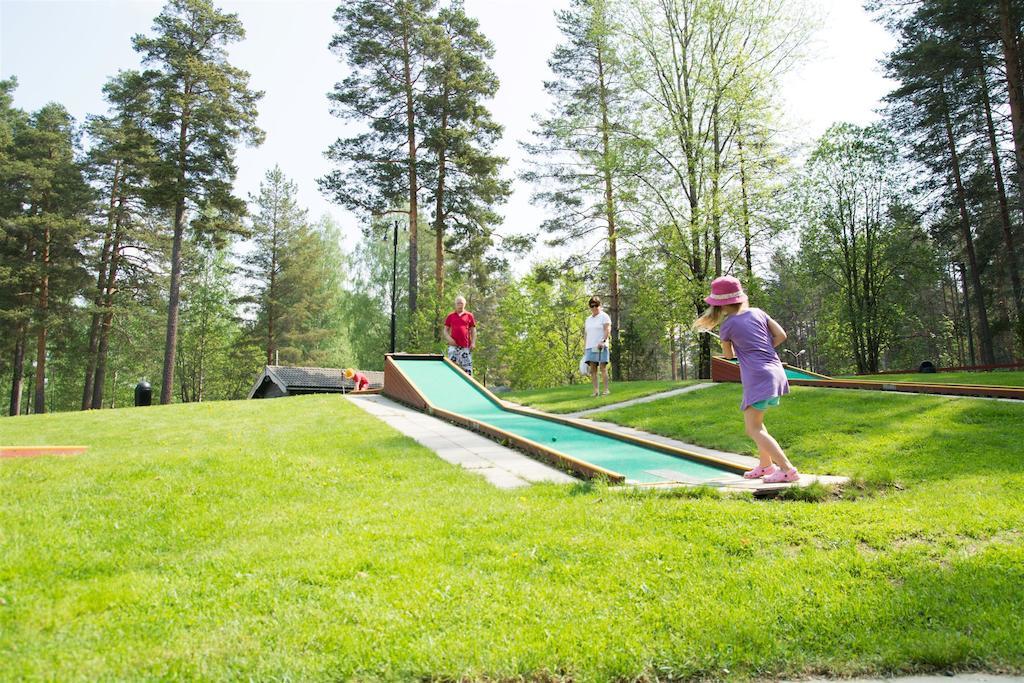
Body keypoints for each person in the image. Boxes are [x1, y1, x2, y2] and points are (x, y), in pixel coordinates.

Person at [693, 276, 799, 483]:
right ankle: (766, 466)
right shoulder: (759, 312)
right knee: (759, 424)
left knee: (753, 429)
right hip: (776, 372)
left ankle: (787, 469)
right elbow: (781, 335)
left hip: (758, 377)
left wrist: (733, 345)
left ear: (719, 305)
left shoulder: (727, 326)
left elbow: (729, 356)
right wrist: (763, 348)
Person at [584, 296, 612, 397]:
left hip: (601, 346)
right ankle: (596, 391)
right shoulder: (588, 319)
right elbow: (586, 334)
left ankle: (606, 390)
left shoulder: (604, 316)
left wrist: (603, 341)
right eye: (592, 306)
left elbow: (607, 329)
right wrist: (585, 347)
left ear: (600, 306)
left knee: (603, 368)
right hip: (590, 347)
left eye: (596, 305)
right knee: (593, 370)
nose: (594, 307)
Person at [443, 295, 476, 375]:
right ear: (455, 304)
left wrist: (473, 342)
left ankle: (469, 385)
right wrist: (449, 339)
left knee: (467, 370)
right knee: (451, 367)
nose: (460, 305)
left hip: (465, 346)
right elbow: (445, 330)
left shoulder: (469, 315)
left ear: (464, 304)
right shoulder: (450, 316)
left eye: (461, 303)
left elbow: (473, 330)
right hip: (453, 347)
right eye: (458, 303)